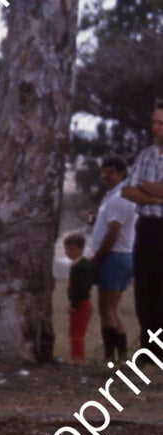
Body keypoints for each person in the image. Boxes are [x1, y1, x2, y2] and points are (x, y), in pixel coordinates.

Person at [121, 100, 163, 341]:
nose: (155, 127)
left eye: (161, 123)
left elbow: (141, 187)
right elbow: (127, 190)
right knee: (145, 288)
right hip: (147, 229)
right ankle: (151, 347)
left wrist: (146, 189)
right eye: (153, 122)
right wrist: (156, 198)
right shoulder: (146, 155)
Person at [90, 154, 137, 362]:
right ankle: (122, 354)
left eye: (111, 172)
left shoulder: (119, 198)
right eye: (104, 171)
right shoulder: (113, 196)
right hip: (124, 256)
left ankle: (110, 356)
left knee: (106, 308)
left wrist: (98, 257)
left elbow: (113, 233)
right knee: (113, 308)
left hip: (114, 257)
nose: (106, 176)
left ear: (122, 173)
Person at [64, 232, 95, 363]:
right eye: (66, 249)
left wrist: (74, 304)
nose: (67, 252)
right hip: (80, 302)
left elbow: (81, 289)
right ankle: (76, 357)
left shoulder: (81, 266)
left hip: (81, 303)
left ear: (80, 249)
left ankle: (78, 359)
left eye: (71, 249)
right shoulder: (78, 264)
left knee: (77, 334)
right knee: (74, 332)